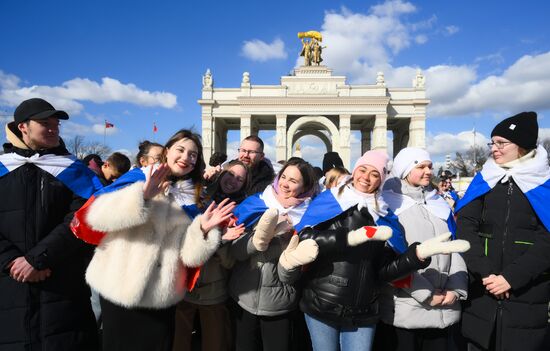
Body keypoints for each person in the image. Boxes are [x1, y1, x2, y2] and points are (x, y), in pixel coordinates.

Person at [291, 150, 470, 351]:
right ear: (354, 171)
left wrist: (417, 256)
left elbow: (385, 270)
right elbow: (303, 238)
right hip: (323, 300)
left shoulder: (385, 214)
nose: (366, 178)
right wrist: (348, 238)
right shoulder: (330, 199)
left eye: (375, 174)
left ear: (381, 180)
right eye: (363, 170)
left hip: (364, 308)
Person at [78, 129, 236, 351]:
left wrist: (203, 230)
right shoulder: (141, 176)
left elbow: (189, 257)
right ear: (167, 151)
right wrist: (142, 196)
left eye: (193, 154)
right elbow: (97, 217)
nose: (185, 157)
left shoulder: (195, 198)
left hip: (161, 295)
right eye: (180, 150)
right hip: (118, 285)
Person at [0, 98, 102, 350]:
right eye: (45, 123)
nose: (53, 128)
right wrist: (11, 261)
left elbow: (86, 218)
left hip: (62, 288)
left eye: (56, 123)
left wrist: (37, 259)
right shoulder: (3, 168)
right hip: (10, 286)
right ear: (22, 126)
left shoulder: (74, 170)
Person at [455, 112, 550, 351]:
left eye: (501, 143)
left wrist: (510, 279)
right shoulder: (486, 179)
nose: (493, 149)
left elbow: (546, 240)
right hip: (483, 295)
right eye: (492, 142)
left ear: (522, 145)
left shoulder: (543, 183)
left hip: (526, 296)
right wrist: (486, 274)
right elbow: (466, 226)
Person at [376, 147, 468, 351]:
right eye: (421, 167)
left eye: (430, 166)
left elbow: (455, 248)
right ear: (405, 170)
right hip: (407, 308)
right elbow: (391, 261)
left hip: (446, 305)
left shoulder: (439, 203)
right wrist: (427, 293)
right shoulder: (389, 206)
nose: (428, 171)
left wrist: (457, 287)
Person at [228, 158, 320, 351]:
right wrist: (256, 241)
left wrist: (288, 262)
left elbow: (296, 273)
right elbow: (235, 252)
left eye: (293, 181)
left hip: (280, 303)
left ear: (305, 186)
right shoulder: (255, 203)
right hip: (244, 296)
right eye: (283, 176)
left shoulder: (310, 217)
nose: (285, 183)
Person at [173, 160, 250, 351]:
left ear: (245, 184)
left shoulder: (244, 210)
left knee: (214, 341)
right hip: (185, 281)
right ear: (222, 173)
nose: (233, 181)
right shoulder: (198, 195)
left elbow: (231, 260)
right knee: (179, 340)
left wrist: (220, 242)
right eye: (230, 174)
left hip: (214, 286)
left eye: (240, 179)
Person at [204, 135, 275, 196]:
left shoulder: (271, 183)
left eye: (252, 152)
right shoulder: (223, 172)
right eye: (243, 150)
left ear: (261, 156)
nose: (246, 155)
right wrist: (209, 180)